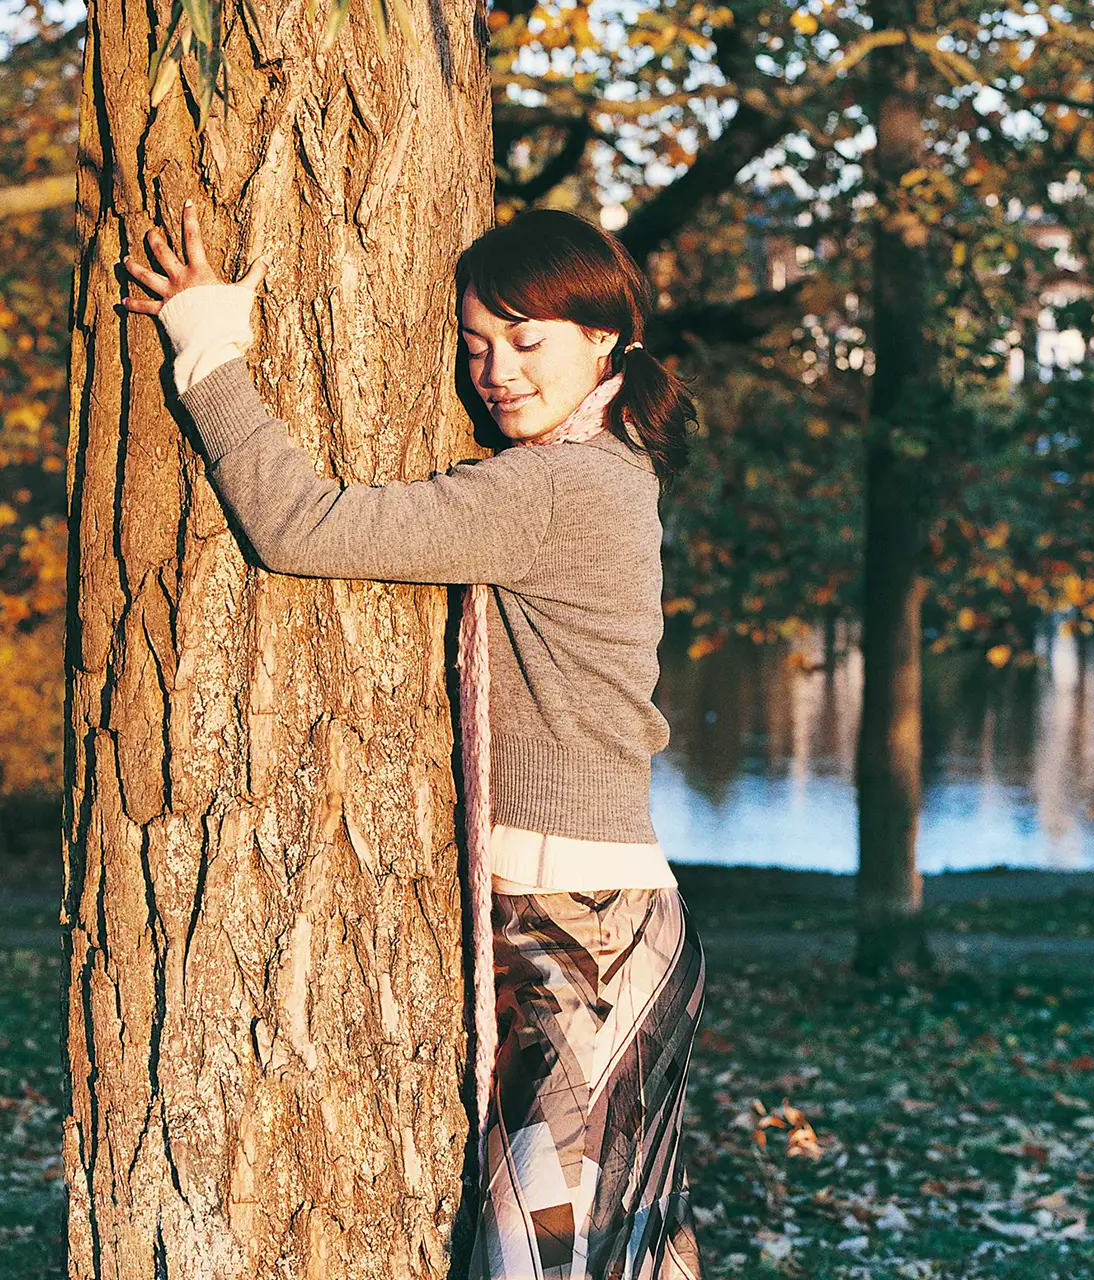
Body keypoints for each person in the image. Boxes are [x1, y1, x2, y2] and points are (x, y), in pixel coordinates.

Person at [118, 201, 707, 1280]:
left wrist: (207, 341)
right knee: (616, 1254)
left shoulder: (561, 486)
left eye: (528, 340)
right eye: (476, 345)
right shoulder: (596, 468)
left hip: (589, 935)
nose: (498, 372)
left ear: (606, 340)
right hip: (593, 922)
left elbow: (299, 526)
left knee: (552, 1260)